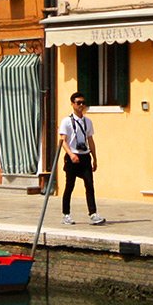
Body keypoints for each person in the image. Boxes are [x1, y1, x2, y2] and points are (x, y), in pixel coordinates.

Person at [59, 92, 105, 225]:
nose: (81, 105)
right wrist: (71, 154)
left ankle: (93, 213)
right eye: (78, 103)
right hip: (72, 157)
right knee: (69, 186)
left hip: (85, 157)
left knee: (90, 185)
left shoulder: (88, 122)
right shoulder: (66, 121)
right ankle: (66, 214)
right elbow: (63, 141)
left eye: (83, 103)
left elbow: (90, 140)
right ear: (72, 104)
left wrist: (94, 158)